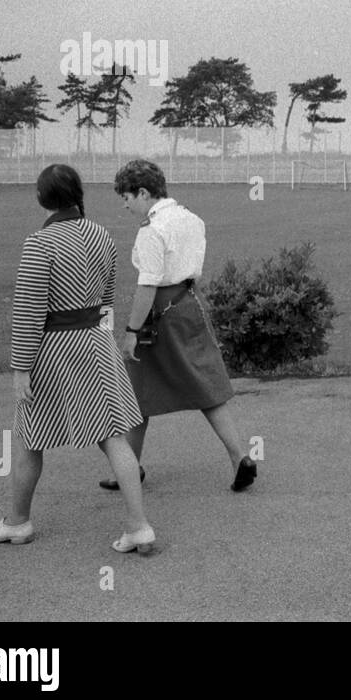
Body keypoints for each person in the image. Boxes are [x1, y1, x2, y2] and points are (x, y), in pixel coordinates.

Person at [0, 164, 155, 554]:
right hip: (96, 343)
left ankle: (18, 523)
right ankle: (139, 526)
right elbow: (107, 299)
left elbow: (29, 311)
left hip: (54, 350)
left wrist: (21, 367)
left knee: (28, 436)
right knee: (114, 437)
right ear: (77, 192)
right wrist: (102, 340)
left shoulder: (39, 243)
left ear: (43, 198)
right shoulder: (102, 234)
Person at [103, 159, 257, 492]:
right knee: (204, 384)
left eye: (127, 197)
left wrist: (131, 332)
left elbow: (148, 285)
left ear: (143, 192)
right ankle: (239, 456)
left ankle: (128, 469)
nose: (124, 204)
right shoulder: (192, 218)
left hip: (159, 312)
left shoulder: (151, 230)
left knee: (135, 389)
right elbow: (193, 272)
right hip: (190, 304)